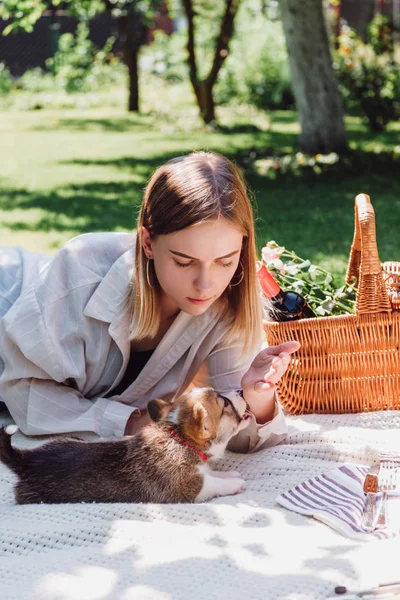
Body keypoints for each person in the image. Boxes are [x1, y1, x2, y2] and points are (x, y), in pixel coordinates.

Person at [0, 151, 299, 453]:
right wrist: (129, 424)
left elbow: (232, 434)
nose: (206, 284)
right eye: (184, 262)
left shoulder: (227, 301)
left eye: (225, 260)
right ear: (147, 243)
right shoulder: (78, 271)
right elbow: (26, 395)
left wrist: (257, 397)